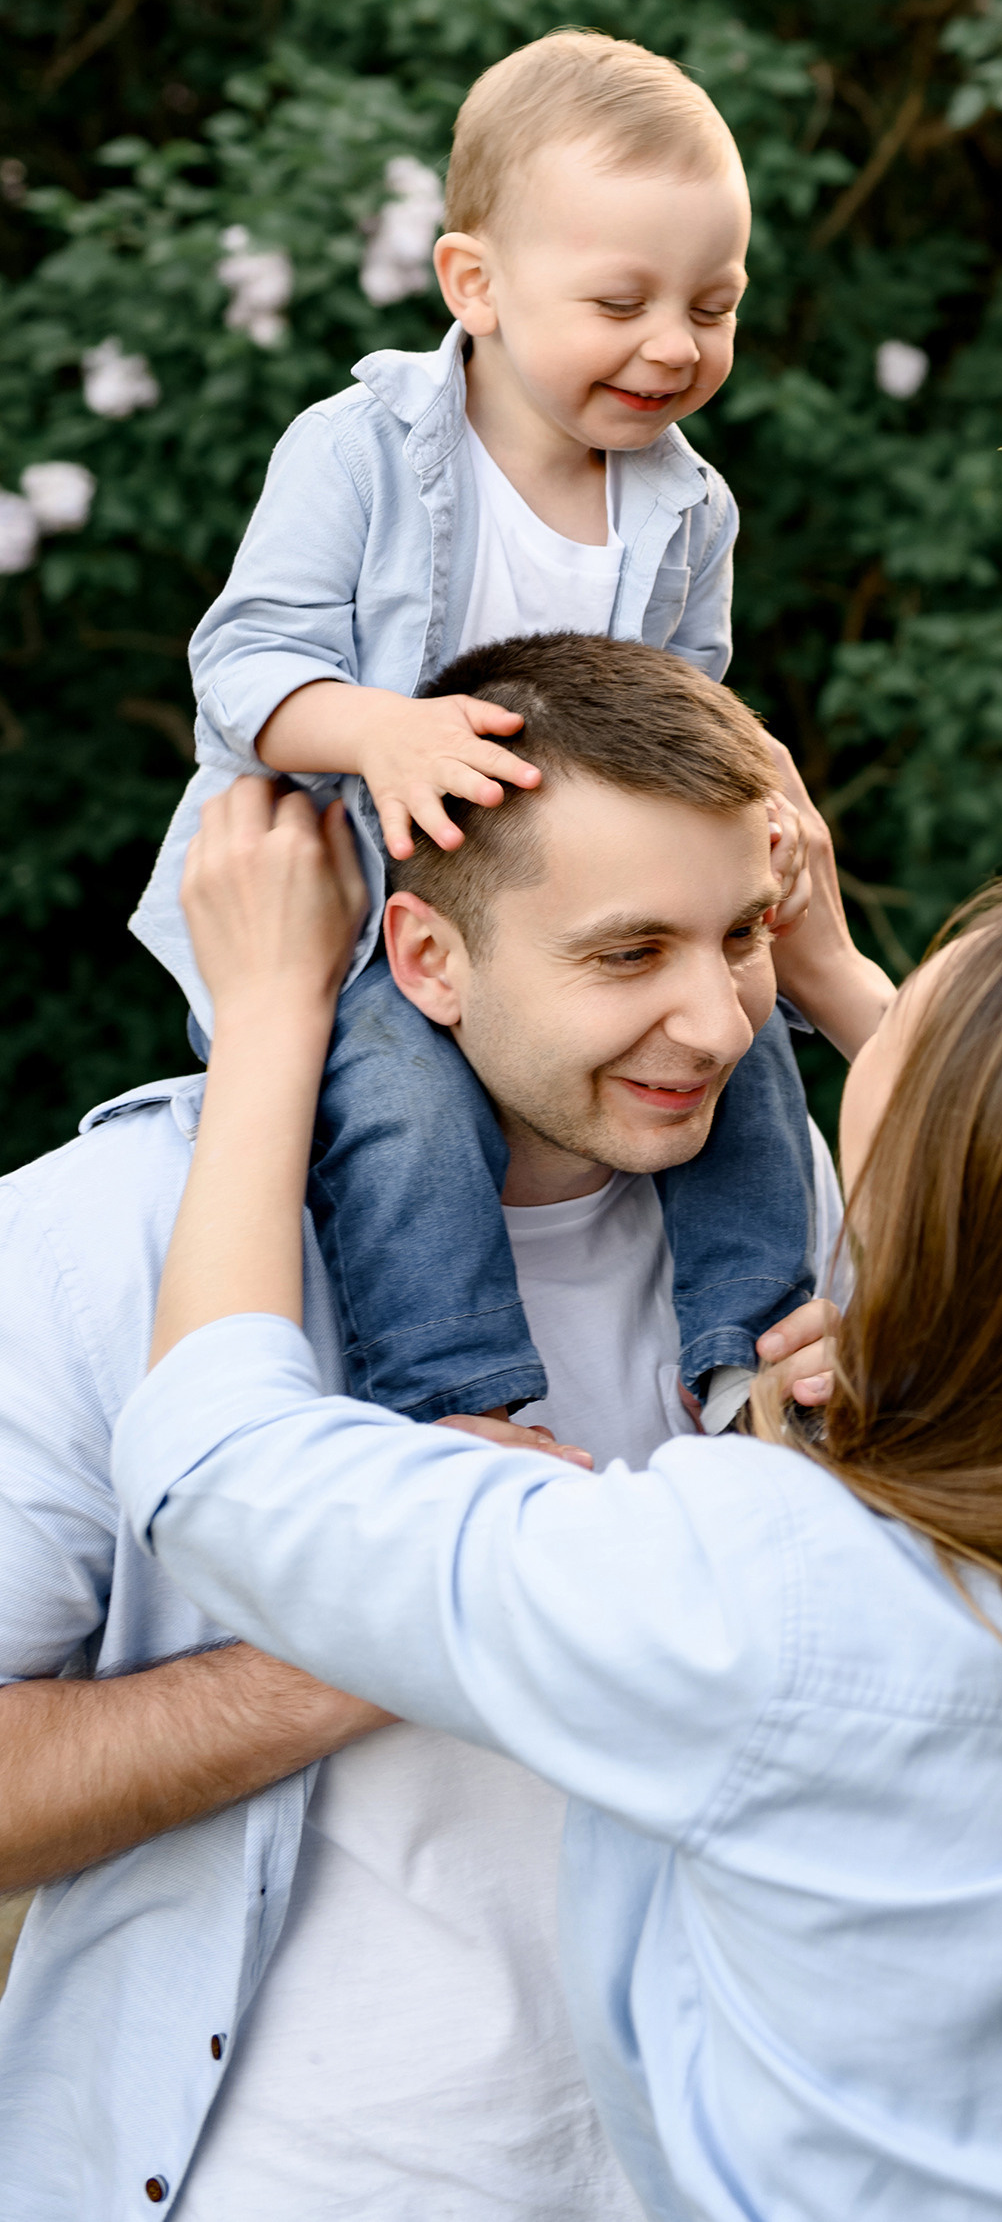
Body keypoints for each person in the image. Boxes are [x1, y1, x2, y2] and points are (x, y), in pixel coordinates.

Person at [112, 773, 1002, 2222]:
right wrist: (838, 999)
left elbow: (215, 1465)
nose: (751, 1026)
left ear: (930, 1219)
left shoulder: (769, 1596)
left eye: (889, 1026)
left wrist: (270, 1019)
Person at [0, 635, 888, 2221]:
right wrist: (428, 1604)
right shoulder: (103, 1241)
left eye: (741, 937)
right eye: (629, 954)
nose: (715, 1025)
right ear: (426, 958)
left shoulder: (782, 1213)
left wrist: (882, 1505)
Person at [130, 24, 862, 1430]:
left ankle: (751, 1354)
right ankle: (454, 1401)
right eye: (621, 302)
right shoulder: (362, 450)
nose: (673, 345)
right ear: (476, 284)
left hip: (584, 909)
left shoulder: (688, 506)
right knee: (405, 1107)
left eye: (713, 306)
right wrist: (376, 732)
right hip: (361, 918)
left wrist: (748, 813)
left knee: (750, 1054)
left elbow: (684, 706)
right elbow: (243, 661)